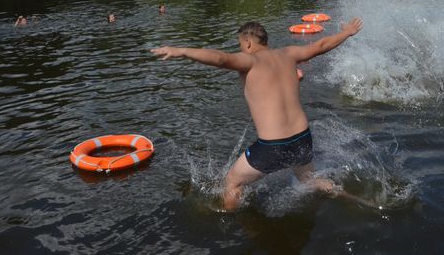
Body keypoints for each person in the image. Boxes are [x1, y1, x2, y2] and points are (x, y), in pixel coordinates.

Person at [151, 17, 363, 211]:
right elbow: (321, 46)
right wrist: (347, 32)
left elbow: (221, 59)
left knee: (233, 182)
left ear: (248, 43)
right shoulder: (288, 54)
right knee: (309, 180)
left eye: (240, 45)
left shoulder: (250, 61)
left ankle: (230, 224)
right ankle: (358, 201)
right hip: (302, 138)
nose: (240, 50)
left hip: (274, 146)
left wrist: (183, 51)